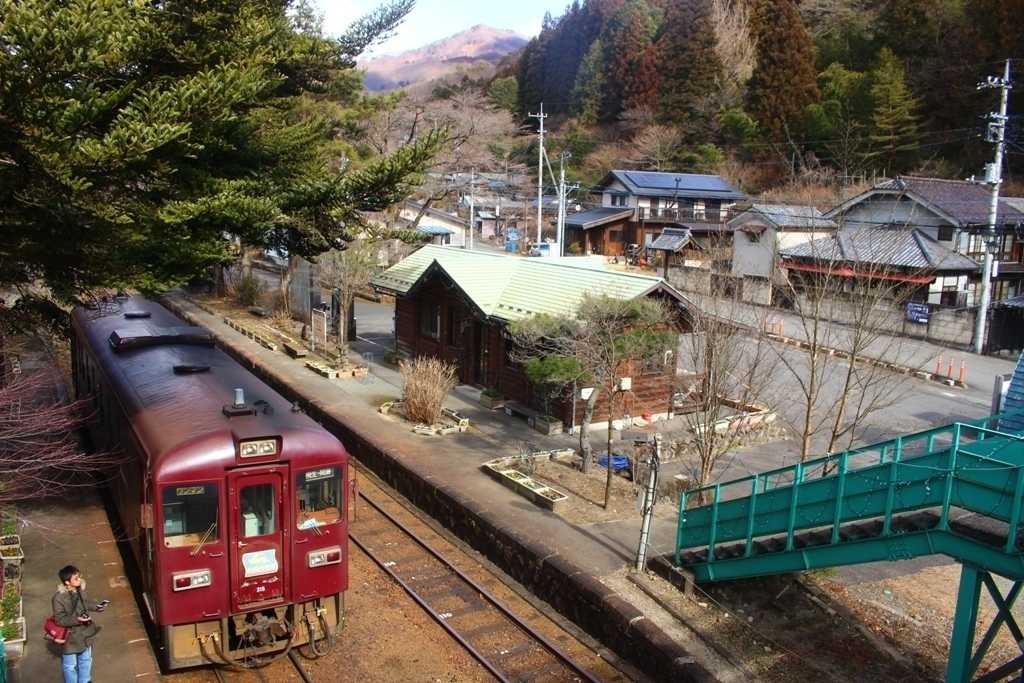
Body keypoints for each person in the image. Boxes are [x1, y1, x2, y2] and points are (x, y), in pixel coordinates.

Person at [53, 565, 100, 683]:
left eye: (79, 576)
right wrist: (77, 620)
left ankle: (85, 680)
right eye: (76, 578)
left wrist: (97, 607)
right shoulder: (58, 598)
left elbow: (86, 604)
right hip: (70, 637)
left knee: (86, 659)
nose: (80, 580)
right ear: (67, 582)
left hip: (85, 632)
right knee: (70, 665)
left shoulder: (80, 590)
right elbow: (59, 619)